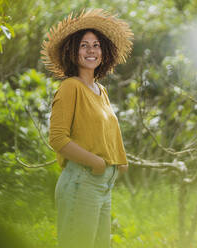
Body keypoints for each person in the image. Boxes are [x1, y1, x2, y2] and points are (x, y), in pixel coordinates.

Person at [40, 8, 134, 248]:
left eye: (96, 45)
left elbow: (106, 132)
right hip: (82, 181)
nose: (91, 50)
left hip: (103, 185)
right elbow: (58, 139)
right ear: (72, 51)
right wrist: (96, 163)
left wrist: (119, 164)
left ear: (104, 52)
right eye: (84, 45)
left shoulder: (100, 90)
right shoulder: (70, 87)